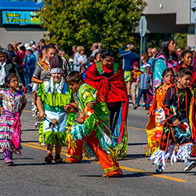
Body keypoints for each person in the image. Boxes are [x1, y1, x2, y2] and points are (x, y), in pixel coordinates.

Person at [65, 71, 122, 177]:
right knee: (98, 144)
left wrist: (82, 116)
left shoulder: (84, 88)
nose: (70, 87)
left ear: (79, 82)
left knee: (75, 132)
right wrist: (72, 106)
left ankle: (75, 156)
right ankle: (112, 169)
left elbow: (91, 103)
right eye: (69, 84)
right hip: (94, 118)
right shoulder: (80, 90)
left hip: (98, 119)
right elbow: (83, 104)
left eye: (72, 84)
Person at [150, 68, 196, 173]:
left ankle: (187, 162)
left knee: (187, 139)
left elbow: (189, 106)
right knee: (166, 144)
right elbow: (165, 106)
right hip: (171, 122)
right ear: (179, 79)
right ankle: (160, 164)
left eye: (189, 80)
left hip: (182, 121)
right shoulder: (171, 90)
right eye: (186, 79)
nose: (188, 82)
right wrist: (172, 118)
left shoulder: (188, 91)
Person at [85, 49, 128, 158]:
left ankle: (112, 148)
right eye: (107, 61)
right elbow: (89, 80)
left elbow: (119, 82)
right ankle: (98, 148)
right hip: (101, 101)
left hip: (115, 100)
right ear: (101, 59)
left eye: (112, 61)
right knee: (100, 126)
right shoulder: (95, 67)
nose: (110, 63)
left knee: (113, 126)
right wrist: (102, 81)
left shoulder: (117, 67)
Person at [37, 55, 72, 163]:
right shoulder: (45, 85)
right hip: (49, 113)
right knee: (49, 133)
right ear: (50, 73)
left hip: (62, 114)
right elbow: (39, 99)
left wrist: (69, 107)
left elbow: (72, 100)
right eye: (54, 73)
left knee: (59, 135)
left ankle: (57, 155)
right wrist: (41, 111)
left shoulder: (66, 85)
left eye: (58, 73)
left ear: (61, 73)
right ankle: (49, 153)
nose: (56, 75)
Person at [145, 68, 174, 156]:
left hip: (169, 114)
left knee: (168, 134)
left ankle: (167, 152)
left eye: (171, 76)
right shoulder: (159, 89)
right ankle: (158, 150)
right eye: (167, 76)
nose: (169, 78)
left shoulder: (173, 89)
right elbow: (155, 101)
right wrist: (152, 110)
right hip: (159, 115)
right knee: (158, 133)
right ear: (162, 77)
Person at [0, 73, 27, 165]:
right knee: (6, 137)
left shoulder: (20, 94)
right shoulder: (3, 93)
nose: (16, 83)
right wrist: (1, 108)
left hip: (15, 118)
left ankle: (10, 154)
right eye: (13, 81)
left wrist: (19, 111)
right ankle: (6, 156)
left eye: (17, 81)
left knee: (13, 137)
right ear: (8, 84)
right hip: (5, 118)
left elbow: (24, 103)